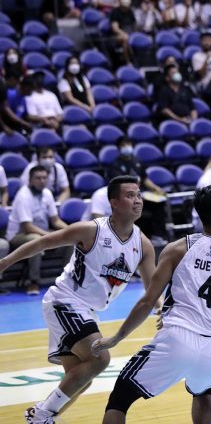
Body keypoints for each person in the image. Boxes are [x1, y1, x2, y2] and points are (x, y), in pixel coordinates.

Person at [92, 185, 211, 424]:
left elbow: (148, 300)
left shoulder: (178, 249)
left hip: (178, 339)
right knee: (203, 391)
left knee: (120, 398)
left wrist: (116, 338)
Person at [0, 176, 157, 423]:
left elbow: (152, 289)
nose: (137, 200)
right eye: (130, 195)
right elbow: (43, 242)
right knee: (100, 358)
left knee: (79, 376)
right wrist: (5, 263)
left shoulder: (143, 244)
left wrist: (163, 309)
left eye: (138, 195)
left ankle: (46, 417)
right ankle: (39, 414)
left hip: (87, 310)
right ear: (114, 202)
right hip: (65, 301)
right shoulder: (91, 230)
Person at [3, 166, 68, 296]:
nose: (42, 181)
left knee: (71, 240)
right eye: (38, 178)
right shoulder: (23, 195)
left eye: (44, 178)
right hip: (19, 236)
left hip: (42, 233)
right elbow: (28, 227)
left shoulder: (47, 193)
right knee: (35, 240)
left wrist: (70, 231)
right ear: (30, 180)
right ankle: (33, 282)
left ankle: (67, 280)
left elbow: (55, 220)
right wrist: (51, 236)